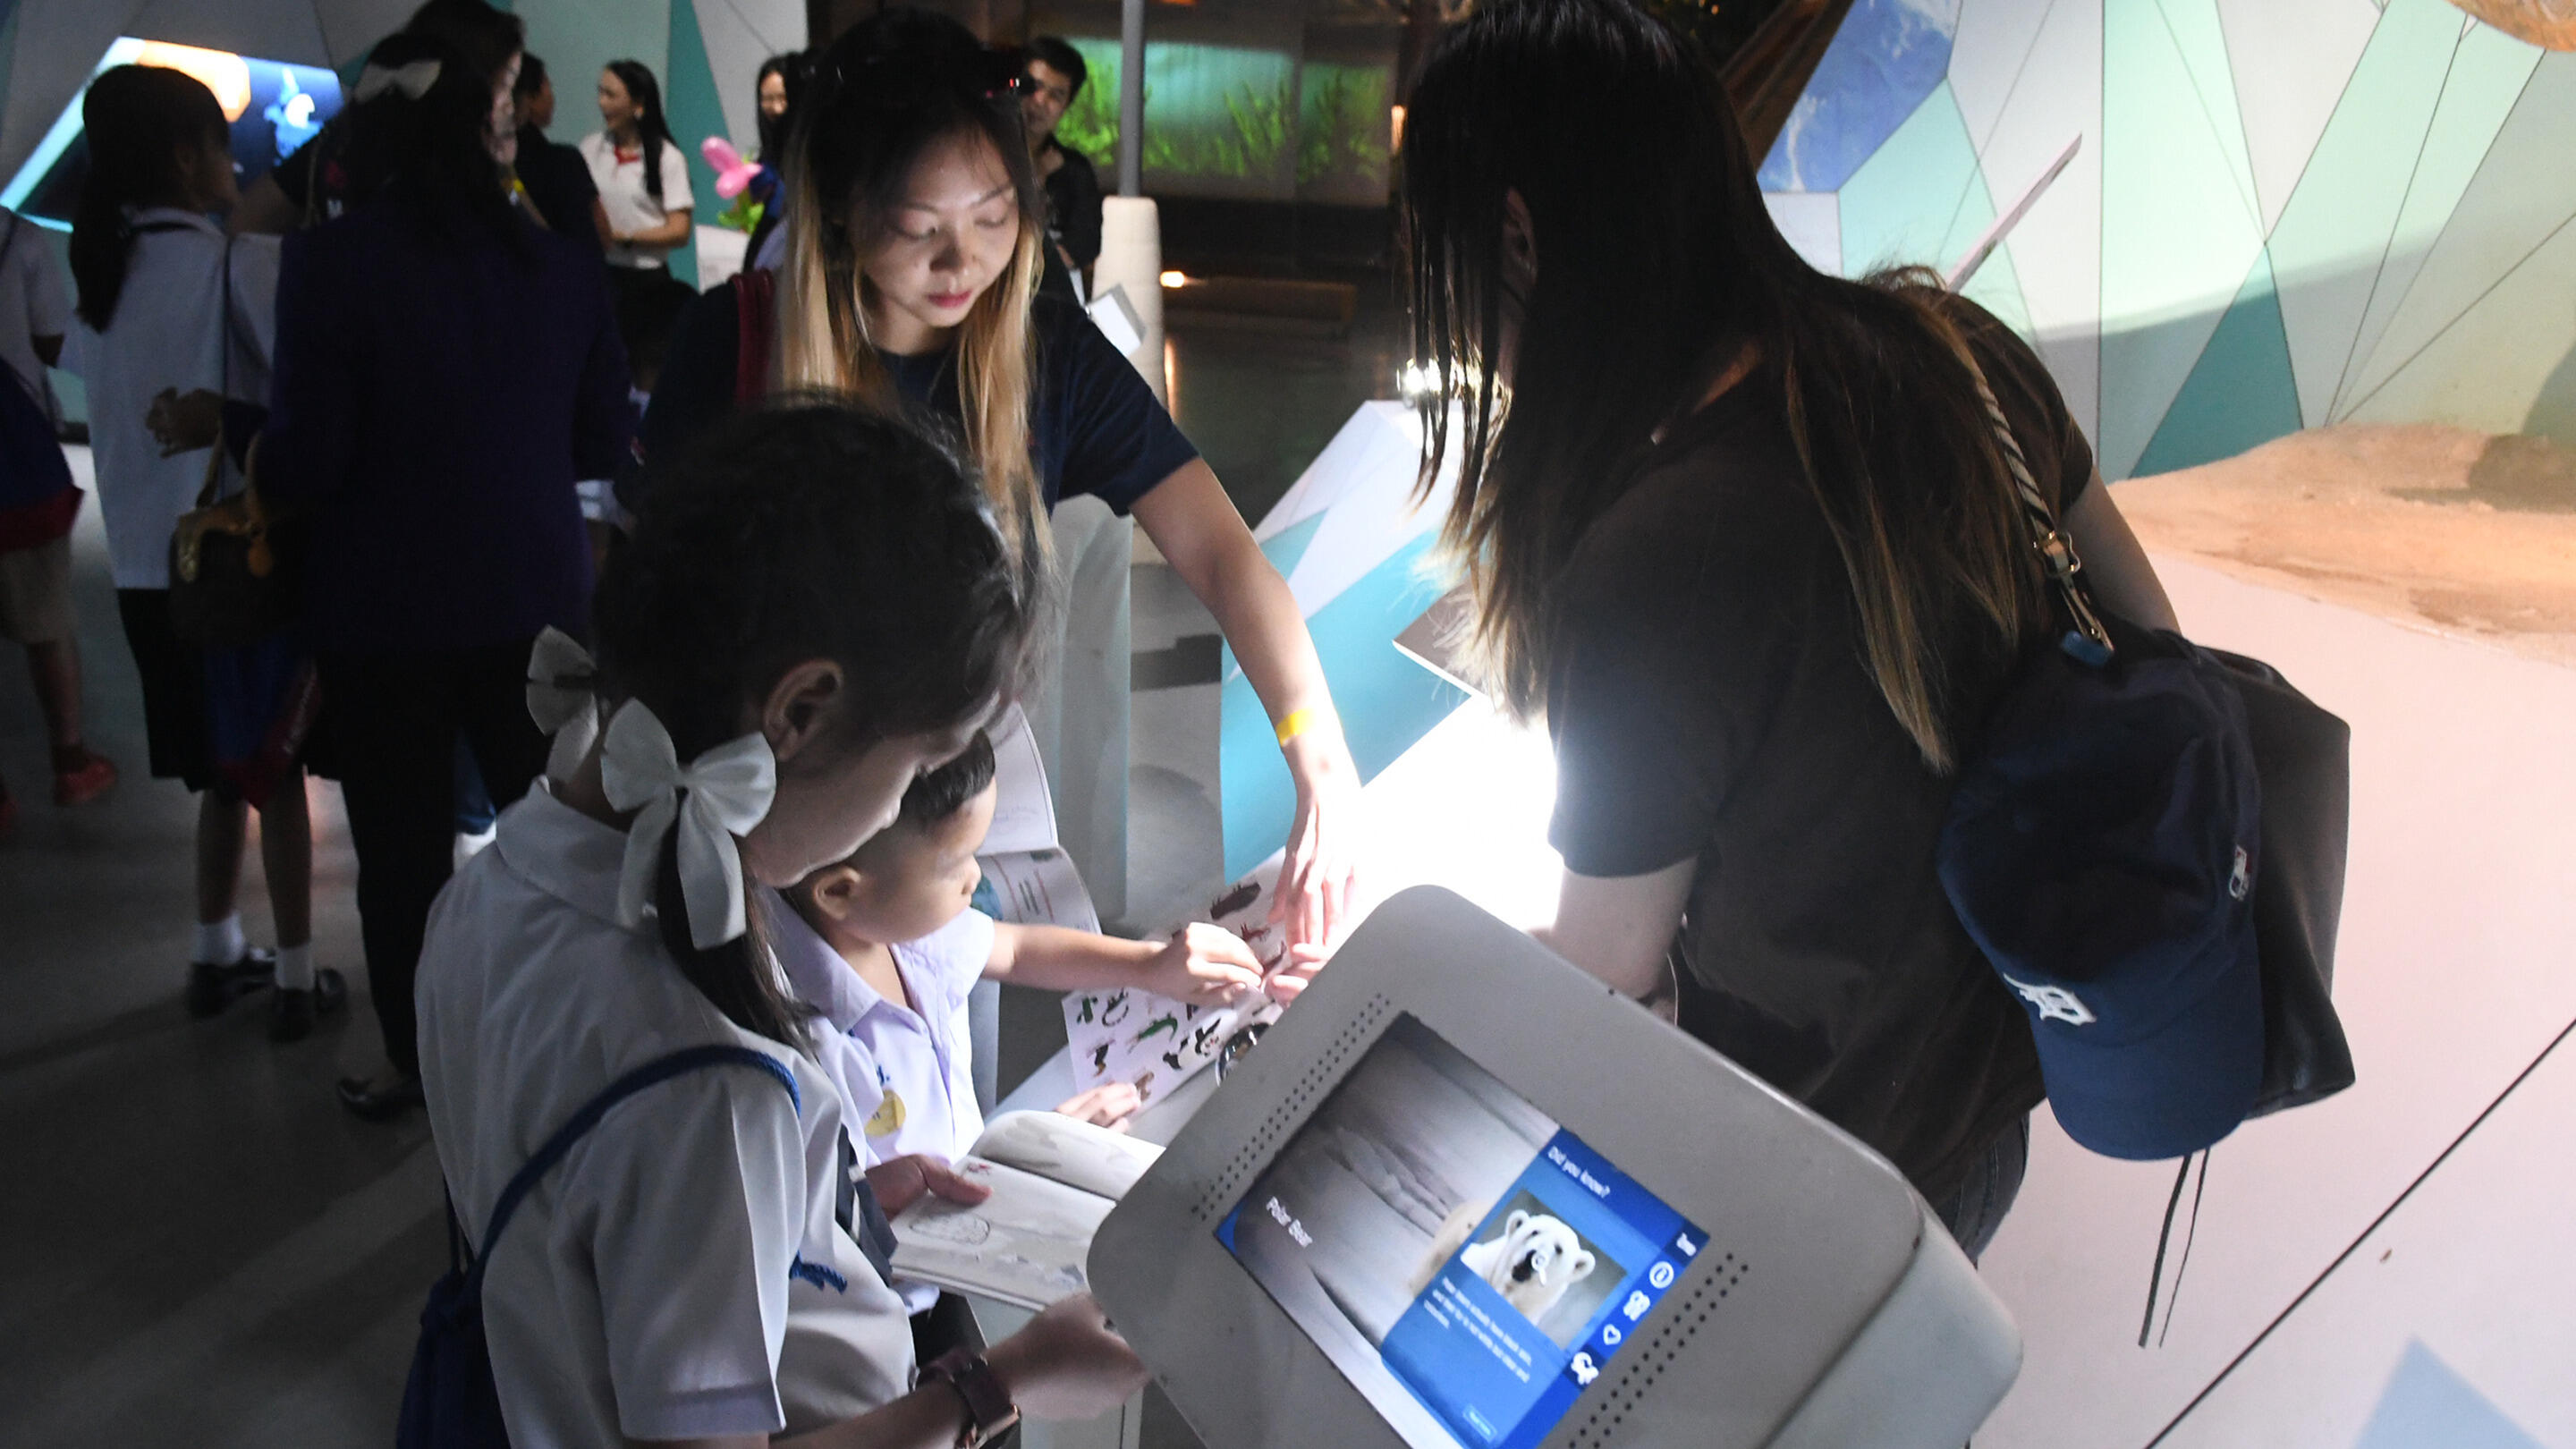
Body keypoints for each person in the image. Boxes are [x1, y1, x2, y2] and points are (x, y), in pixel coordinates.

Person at [1399, 0, 2182, 1262]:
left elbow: (1610, 962)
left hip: (1796, 1165)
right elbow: (2148, 632)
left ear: (1520, 238)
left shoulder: (1661, 555)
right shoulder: (1957, 354)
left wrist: (1427, 968)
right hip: (1980, 1103)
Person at [421, 399, 1149, 1445]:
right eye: (918, 765)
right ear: (801, 713)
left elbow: (590, 1244)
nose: (895, 815)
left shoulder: (493, 890)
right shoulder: (711, 1086)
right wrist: (1007, 1380)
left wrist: (822, 1221)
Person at [646, 9, 1359, 960]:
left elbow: (1223, 554)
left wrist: (1318, 757)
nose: (962, 263)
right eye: (920, 229)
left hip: (938, 861)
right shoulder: (734, 345)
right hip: (764, 839)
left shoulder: (1045, 357)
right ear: (841, 207)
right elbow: (650, 617)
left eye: (993, 219)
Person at [258, 32, 631, 1118]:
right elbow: (600, 441)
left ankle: (422, 1064)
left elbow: (308, 459)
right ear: (489, 139)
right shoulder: (564, 268)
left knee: (403, 855)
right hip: (535, 599)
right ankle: (572, 1048)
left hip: (383, 609)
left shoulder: (330, 265)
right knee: (560, 839)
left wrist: (247, 445)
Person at [65, 64, 333, 1036]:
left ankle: (214, 948)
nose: (236, 164)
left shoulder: (100, 277)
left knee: (222, 775)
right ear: (188, 160)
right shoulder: (235, 267)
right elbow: (302, 400)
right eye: (224, 145)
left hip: (145, 575)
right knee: (276, 772)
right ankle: (298, 977)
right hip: (233, 570)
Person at [772, 728, 1281, 1186]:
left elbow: (1016, 951)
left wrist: (1149, 966)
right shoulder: (808, 1054)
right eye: (954, 866)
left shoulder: (896, 924)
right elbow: (869, 1222)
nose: (976, 878)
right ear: (840, 892)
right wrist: (1018, 1162)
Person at [0, 202, 117, 833]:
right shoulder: (16, 237)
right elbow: (52, 341)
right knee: (46, 620)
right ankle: (71, 763)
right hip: (16, 463)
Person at [230, 0, 528, 235]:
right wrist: (506, 175)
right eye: (505, 84)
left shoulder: (341, 142)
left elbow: (243, 223)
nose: (509, 105)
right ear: (465, 77)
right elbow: (531, 245)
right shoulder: (450, 169)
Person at [581, 57, 693, 382]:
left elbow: (679, 230)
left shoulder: (668, 158)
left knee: (641, 366)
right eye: (600, 92)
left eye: (611, 95)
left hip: (648, 283)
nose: (602, 103)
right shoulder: (590, 148)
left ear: (638, 103)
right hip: (601, 275)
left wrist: (626, 237)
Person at [1020, 37, 1101, 304]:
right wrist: (1037, 176)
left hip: (1050, 296)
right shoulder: (985, 155)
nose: (1040, 101)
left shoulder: (1073, 169)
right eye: (1034, 87)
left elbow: (1086, 240)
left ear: (1066, 106)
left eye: (1055, 96)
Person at [508, 53, 603, 251]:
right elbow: (599, 235)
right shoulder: (563, 163)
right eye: (548, 86)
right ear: (529, 98)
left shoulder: (483, 161)